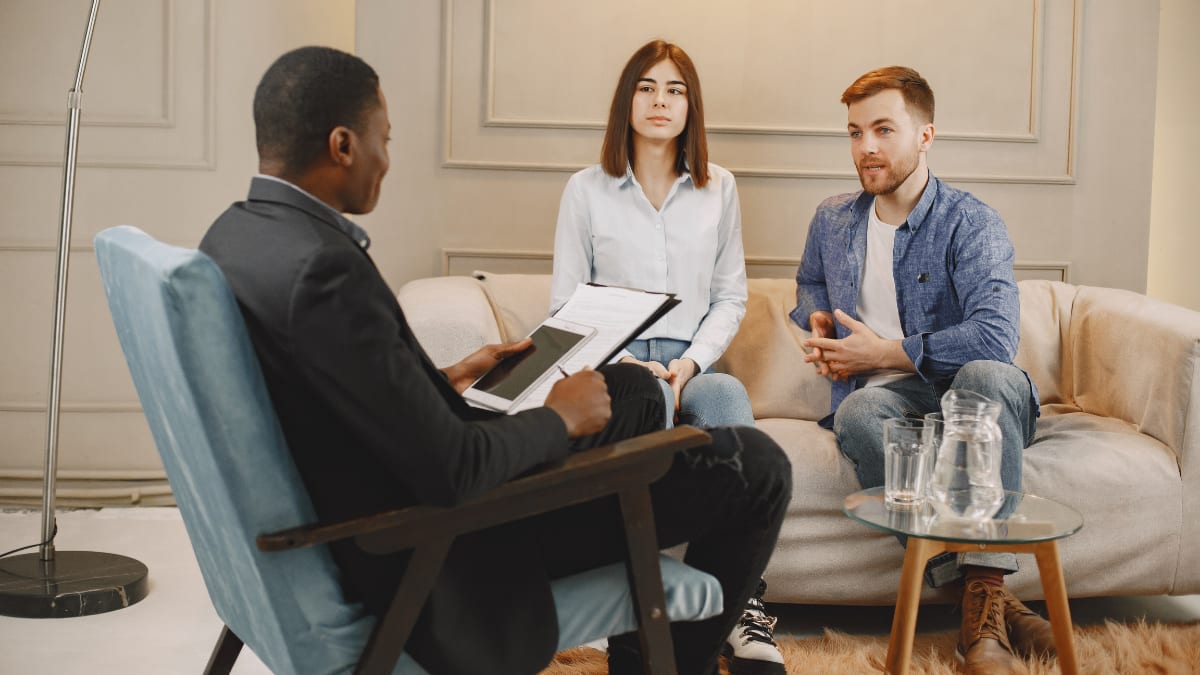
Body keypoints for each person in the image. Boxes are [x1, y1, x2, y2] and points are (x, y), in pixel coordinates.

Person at [199, 45, 791, 675]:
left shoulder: (239, 238)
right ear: (343, 144)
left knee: (634, 393)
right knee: (757, 466)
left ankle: (638, 648)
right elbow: (452, 470)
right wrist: (558, 419)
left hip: (392, 511)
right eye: (384, 140)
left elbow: (353, 398)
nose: (387, 159)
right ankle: (659, 661)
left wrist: (443, 378)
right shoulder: (325, 271)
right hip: (444, 552)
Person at [790, 66, 1054, 675]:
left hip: (979, 393)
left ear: (926, 134)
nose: (867, 148)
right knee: (857, 412)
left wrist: (885, 351)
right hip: (893, 401)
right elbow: (807, 284)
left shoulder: (971, 222)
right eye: (855, 132)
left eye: (884, 129)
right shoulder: (833, 219)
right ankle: (982, 595)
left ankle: (983, 616)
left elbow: (995, 338)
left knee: (984, 379)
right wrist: (820, 319)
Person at [549, 39, 783, 675]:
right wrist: (635, 367)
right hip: (614, 365)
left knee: (729, 407)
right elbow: (567, 305)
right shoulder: (585, 190)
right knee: (643, 402)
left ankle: (741, 608)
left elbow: (731, 297)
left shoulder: (720, 188)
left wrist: (689, 365)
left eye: (675, 90)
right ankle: (626, 603)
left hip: (693, 362)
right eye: (647, 87)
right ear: (627, 99)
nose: (660, 101)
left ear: (691, 106)